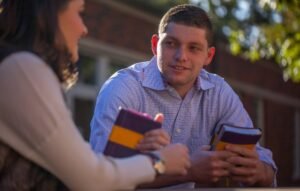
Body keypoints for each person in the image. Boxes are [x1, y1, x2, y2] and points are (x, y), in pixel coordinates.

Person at [0, 0, 191, 190]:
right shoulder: (23, 68)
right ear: (47, 14)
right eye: (80, 13)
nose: (84, 29)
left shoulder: (17, 68)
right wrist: (160, 162)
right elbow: (90, 179)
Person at [90, 4, 277, 188]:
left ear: (208, 56)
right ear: (156, 46)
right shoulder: (123, 88)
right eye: (171, 44)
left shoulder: (219, 92)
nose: (181, 56)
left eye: (194, 48)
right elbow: (102, 178)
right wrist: (189, 170)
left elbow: (265, 166)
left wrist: (258, 171)